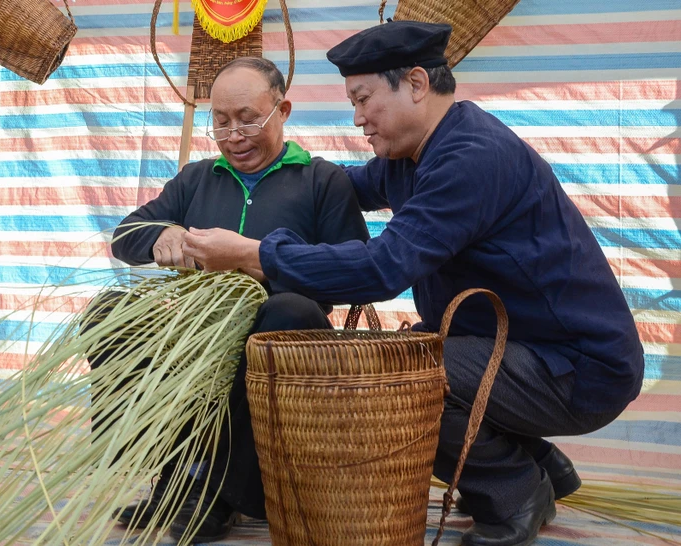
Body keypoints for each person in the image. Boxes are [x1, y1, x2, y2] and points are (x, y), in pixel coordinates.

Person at [181, 21, 645, 546]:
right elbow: (332, 188)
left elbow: (383, 267)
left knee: (398, 376)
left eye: (363, 99)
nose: (357, 118)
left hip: (579, 366)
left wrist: (254, 253)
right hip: (512, 348)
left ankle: (515, 490)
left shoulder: (471, 156)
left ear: (417, 83)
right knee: (409, 351)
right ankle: (539, 461)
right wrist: (266, 171)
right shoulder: (409, 156)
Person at [108, 56, 370, 542]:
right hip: (196, 334)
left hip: (281, 345)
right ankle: (174, 476)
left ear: (283, 110)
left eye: (249, 118)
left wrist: (258, 263)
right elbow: (125, 235)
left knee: (288, 310)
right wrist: (161, 233)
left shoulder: (321, 180)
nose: (234, 136)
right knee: (113, 311)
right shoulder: (197, 178)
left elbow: (355, 273)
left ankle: (223, 489)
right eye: (221, 122)